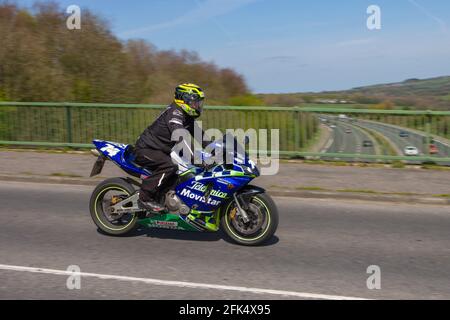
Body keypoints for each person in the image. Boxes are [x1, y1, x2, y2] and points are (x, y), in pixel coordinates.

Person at [134, 83, 208, 212]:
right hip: (146, 149)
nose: (197, 105)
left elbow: (202, 137)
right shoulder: (175, 114)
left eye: (198, 103)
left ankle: (162, 197)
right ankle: (144, 198)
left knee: (181, 172)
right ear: (184, 100)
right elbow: (181, 138)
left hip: (161, 150)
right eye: (195, 102)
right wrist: (196, 159)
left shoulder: (187, 117)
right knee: (169, 166)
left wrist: (218, 150)